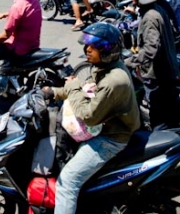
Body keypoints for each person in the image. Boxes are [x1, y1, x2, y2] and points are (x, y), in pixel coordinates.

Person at [44, 22, 140, 214]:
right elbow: (86, 88)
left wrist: (71, 88)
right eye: (87, 45)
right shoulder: (107, 68)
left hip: (111, 139)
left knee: (67, 181)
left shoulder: (114, 80)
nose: (87, 50)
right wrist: (53, 92)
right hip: (106, 128)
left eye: (93, 47)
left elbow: (89, 116)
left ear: (107, 51)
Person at [126, 0, 180, 128]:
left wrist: (130, 61)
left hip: (158, 76)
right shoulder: (158, 7)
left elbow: (151, 50)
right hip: (167, 70)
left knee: (159, 118)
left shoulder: (150, 16)